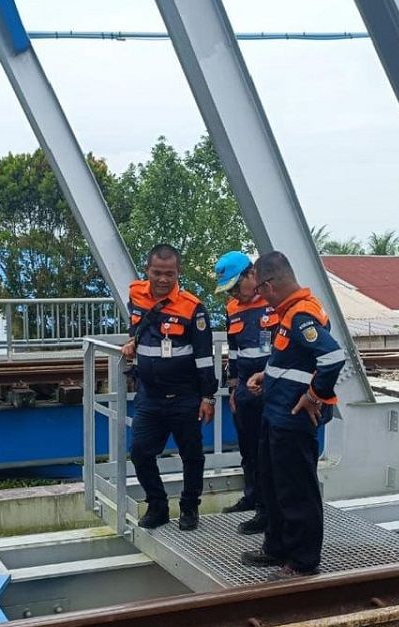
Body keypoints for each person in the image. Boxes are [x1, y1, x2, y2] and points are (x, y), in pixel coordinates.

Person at [241, 251, 345, 580]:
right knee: (272, 483)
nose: (258, 295)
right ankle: (276, 546)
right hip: (276, 413)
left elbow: (332, 357)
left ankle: (302, 559)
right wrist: (265, 374)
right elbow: (292, 360)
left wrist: (316, 395)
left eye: (259, 289)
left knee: (296, 488)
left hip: (292, 419)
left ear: (270, 285)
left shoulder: (302, 315)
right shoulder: (286, 315)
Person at [121, 244, 218, 531]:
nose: (163, 279)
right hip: (149, 396)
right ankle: (158, 506)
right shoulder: (136, 294)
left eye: (170, 274)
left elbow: (203, 357)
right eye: (157, 273)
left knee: (191, 455)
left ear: (179, 273)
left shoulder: (193, 308)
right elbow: (136, 324)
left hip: (184, 397)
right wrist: (132, 340)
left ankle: (189, 509)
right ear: (147, 270)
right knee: (140, 452)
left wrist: (208, 396)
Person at [214, 251, 277, 534]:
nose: (235, 295)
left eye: (236, 287)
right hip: (245, 391)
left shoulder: (274, 302)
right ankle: (252, 497)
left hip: (272, 389)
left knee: (269, 451)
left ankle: (267, 510)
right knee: (249, 449)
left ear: (251, 275)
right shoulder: (233, 309)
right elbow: (234, 350)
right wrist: (233, 388)